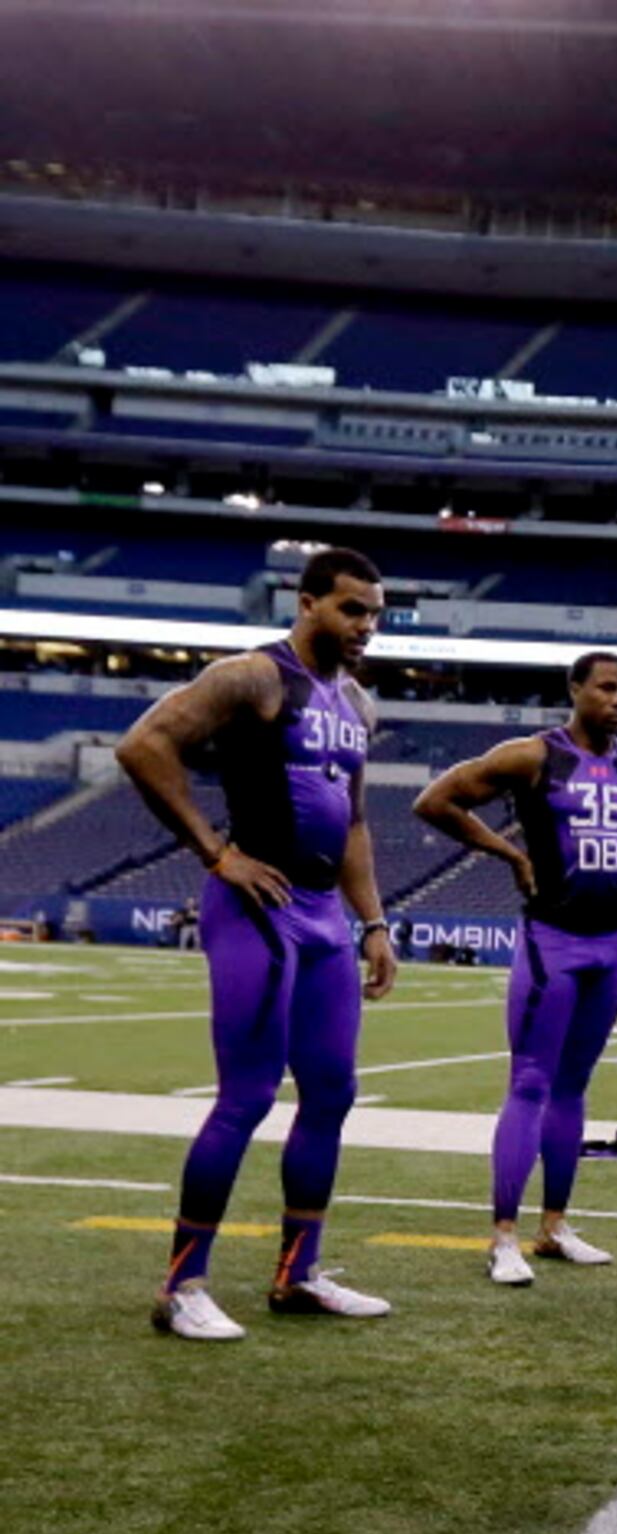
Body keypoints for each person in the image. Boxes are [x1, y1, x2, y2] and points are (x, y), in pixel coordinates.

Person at [113, 546, 399, 1340]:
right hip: (259, 908)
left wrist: (373, 921)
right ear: (306, 602)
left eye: (374, 613)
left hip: (323, 918)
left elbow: (356, 822)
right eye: (350, 609)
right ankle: (181, 1286)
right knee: (245, 1096)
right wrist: (216, 851)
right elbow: (142, 746)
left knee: (333, 1094)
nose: (365, 627)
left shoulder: (357, 705)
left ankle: (297, 1274)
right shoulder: (253, 677)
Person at [413, 650, 617, 1284]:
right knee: (529, 1083)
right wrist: (510, 855)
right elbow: (436, 802)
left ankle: (554, 1226)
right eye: (607, 688)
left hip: (615, 942)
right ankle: (503, 1237)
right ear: (574, 689)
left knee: (574, 1087)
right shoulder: (533, 756)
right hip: (554, 939)